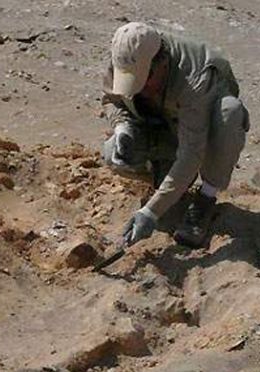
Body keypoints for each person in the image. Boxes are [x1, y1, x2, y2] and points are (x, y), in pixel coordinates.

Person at [101, 22, 250, 248]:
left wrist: (150, 212)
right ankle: (167, 170)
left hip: (197, 132)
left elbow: (192, 152)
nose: (139, 88)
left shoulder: (196, 78)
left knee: (230, 112)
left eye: (144, 79)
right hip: (162, 127)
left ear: (160, 63)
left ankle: (205, 199)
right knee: (112, 152)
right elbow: (111, 100)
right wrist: (123, 129)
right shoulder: (125, 56)